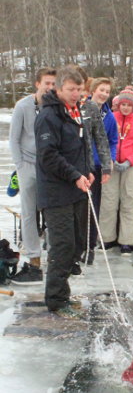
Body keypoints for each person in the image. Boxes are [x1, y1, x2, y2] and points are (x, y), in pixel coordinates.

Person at [34, 67, 95, 319]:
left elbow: (80, 146)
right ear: (57, 89)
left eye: (79, 89)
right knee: (62, 246)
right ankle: (56, 300)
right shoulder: (48, 116)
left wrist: (87, 170)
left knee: (77, 244)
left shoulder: (76, 112)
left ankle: (64, 292)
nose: (76, 94)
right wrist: (74, 175)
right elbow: (48, 155)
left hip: (76, 189)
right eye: (71, 89)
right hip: (56, 191)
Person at [9, 67, 56, 285]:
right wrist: (20, 166)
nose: (50, 87)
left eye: (54, 83)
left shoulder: (56, 106)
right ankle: (34, 259)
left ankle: (57, 256)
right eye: (47, 83)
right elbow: (14, 139)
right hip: (28, 164)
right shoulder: (23, 106)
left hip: (50, 166)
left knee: (53, 211)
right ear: (37, 84)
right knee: (28, 214)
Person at [99, 88, 133, 256]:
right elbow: (103, 140)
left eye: (129, 105)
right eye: (123, 104)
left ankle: (127, 240)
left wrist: (129, 161)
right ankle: (106, 237)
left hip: (131, 166)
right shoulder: (110, 118)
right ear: (118, 104)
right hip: (112, 165)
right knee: (109, 201)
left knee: (129, 201)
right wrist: (110, 160)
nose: (126, 108)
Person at [83, 77, 119, 265]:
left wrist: (110, 160)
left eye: (107, 91)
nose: (104, 94)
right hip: (81, 166)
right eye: (101, 90)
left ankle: (90, 247)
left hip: (97, 168)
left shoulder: (109, 116)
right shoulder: (82, 109)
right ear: (93, 90)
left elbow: (113, 140)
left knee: (93, 208)